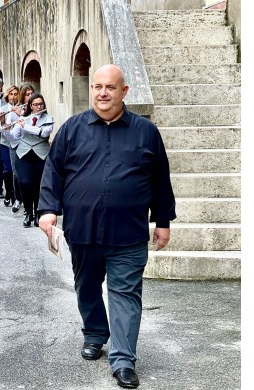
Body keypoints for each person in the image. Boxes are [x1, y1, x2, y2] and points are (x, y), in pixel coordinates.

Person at [37, 64, 176, 389]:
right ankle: (96, 333)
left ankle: (124, 359)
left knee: (125, 293)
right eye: (97, 86)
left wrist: (163, 221)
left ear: (123, 92)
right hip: (83, 231)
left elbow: (160, 180)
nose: (102, 93)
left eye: (109, 87)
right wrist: (47, 210)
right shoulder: (72, 129)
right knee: (86, 286)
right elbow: (53, 171)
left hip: (128, 232)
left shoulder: (146, 133)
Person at [9, 92, 54, 227]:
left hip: (41, 155)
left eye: (40, 104)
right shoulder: (24, 118)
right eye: (35, 105)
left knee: (38, 185)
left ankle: (37, 213)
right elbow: (14, 137)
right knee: (25, 183)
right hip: (23, 155)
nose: (39, 107)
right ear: (30, 106)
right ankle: (28, 212)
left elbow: (43, 132)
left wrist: (25, 126)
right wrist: (8, 127)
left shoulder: (48, 118)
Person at [8, 83, 35, 215]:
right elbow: (11, 132)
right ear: (22, 96)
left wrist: (23, 116)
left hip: (29, 145)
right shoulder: (14, 109)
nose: (29, 97)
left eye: (31, 94)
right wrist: (19, 116)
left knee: (29, 176)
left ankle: (28, 205)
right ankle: (18, 198)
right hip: (15, 144)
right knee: (16, 175)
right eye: (27, 94)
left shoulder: (36, 109)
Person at [0, 85, 20, 209]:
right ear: (7, 96)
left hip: (18, 143)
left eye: (15, 94)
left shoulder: (21, 109)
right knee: (8, 169)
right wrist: (4, 123)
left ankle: (15, 196)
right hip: (5, 142)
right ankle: (9, 191)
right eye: (11, 94)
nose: (13, 97)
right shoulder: (2, 109)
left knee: (16, 171)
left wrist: (19, 115)